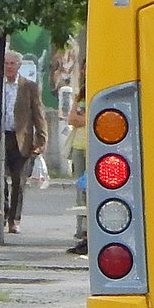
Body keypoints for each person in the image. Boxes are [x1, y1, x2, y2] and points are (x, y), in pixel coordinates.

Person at [2, 50, 48, 234]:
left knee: (18, 181)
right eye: (6, 63)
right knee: (0, 180)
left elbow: (39, 114)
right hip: (2, 138)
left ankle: (14, 219)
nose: (9, 67)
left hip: (22, 139)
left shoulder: (29, 87)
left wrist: (41, 139)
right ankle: (3, 213)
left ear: (19, 66)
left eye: (12, 63)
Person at [66, 85, 88, 255]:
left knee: (93, 191)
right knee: (81, 189)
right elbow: (72, 119)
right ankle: (81, 230)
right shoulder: (79, 96)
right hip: (78, 148)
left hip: (95, 147)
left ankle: (90, 232)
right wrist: (86, 118)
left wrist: (84, 118)